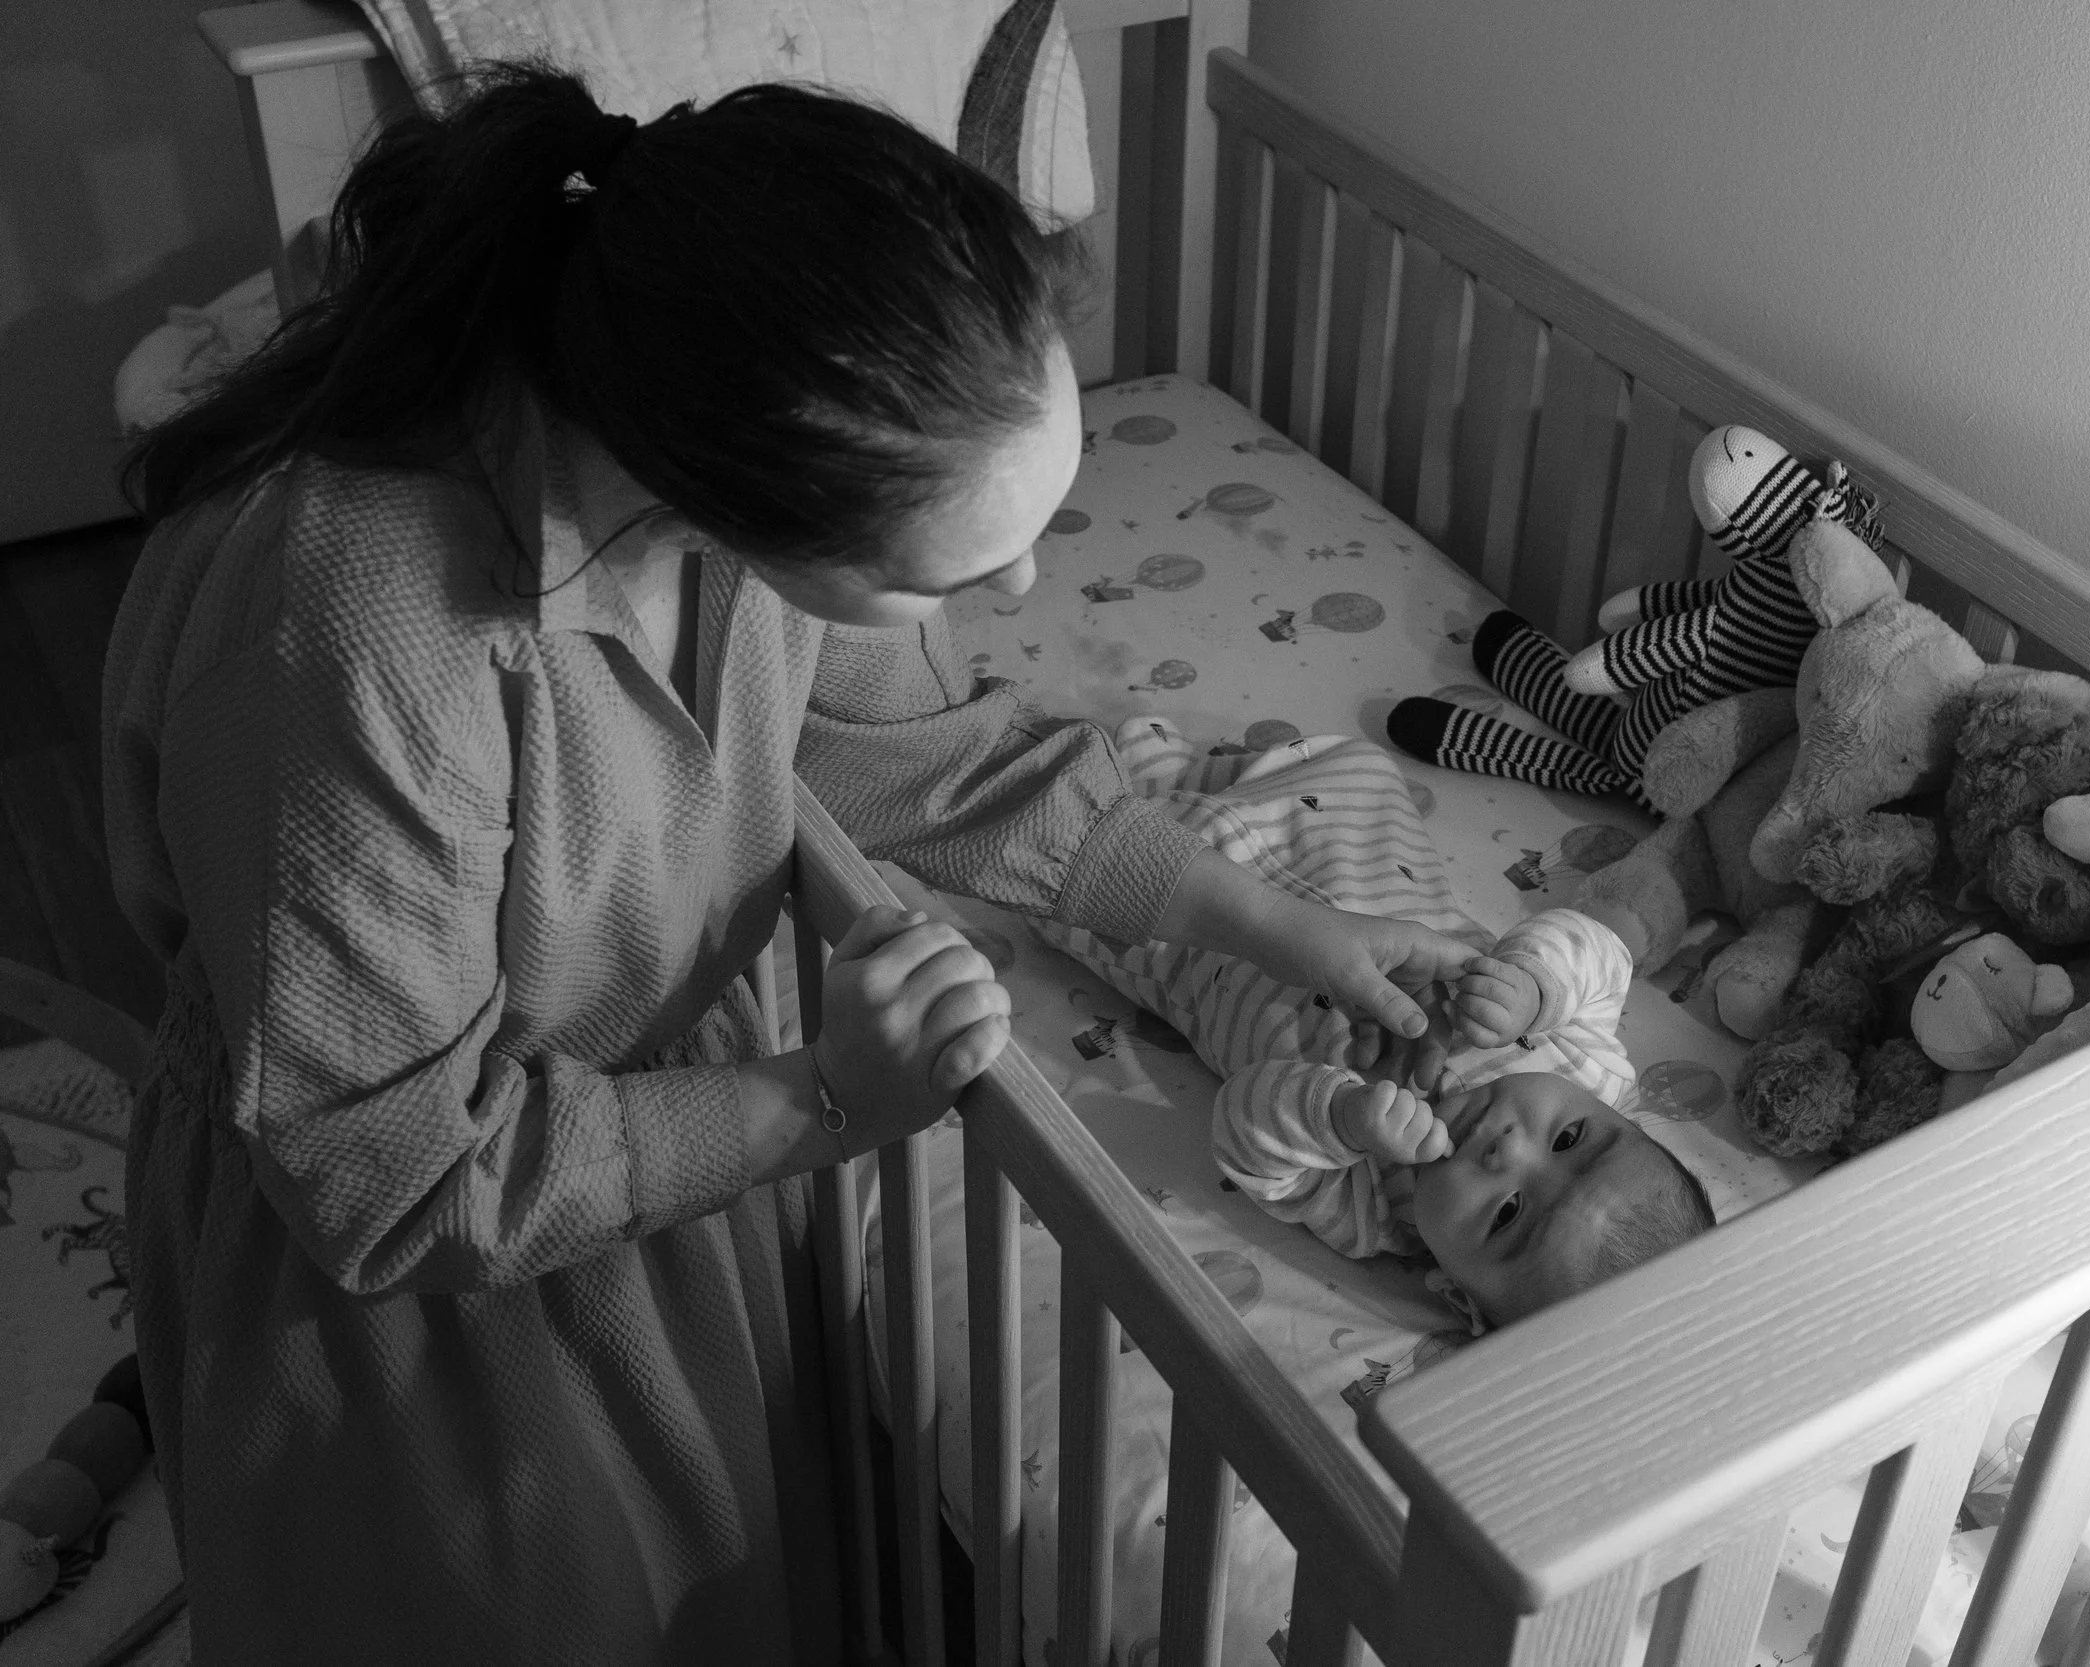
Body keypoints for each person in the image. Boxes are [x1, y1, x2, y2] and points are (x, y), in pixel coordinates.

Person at [102, 65, 1472, 1665]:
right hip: (419, 1290)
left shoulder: (702, 509)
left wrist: (1286, 926)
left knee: (710, 1582)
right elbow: (388, 1171)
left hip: (642, 1161)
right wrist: (818, 1098)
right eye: (960, 567)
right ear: (744, 496)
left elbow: (946, 762)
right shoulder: (367, 633)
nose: (1025, 585)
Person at [1041, 720, 1717, 1328]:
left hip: (1188, 938)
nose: (1508, 1149)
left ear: (1459, 1293)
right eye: (1570, 1136)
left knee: (1055, 871)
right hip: (1339, 831)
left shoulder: (1374, 1207)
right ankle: (1172, 769)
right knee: (1355, 771)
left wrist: (1340, 1116)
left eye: (1506, 1214)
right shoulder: (1588, 1064)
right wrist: (1537, 986)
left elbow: (1243, 1130)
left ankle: (1121, 792)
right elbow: (1603, 955)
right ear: (1623, 1115)